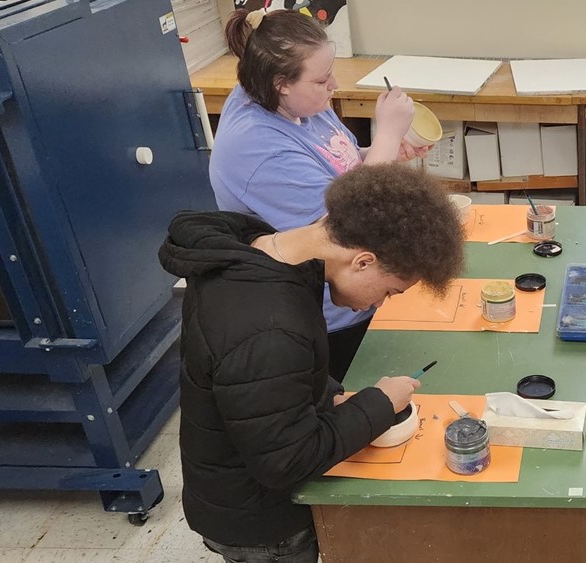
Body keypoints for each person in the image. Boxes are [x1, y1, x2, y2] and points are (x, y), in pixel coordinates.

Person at [158, 164, 465, 563]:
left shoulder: (261, 253)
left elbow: (264, 385)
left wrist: (329, 395)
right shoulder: (270, 329)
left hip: (231, 486)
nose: (378, 304)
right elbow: (288, 462)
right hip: (263, 526)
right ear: (363, 261)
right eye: (390, 290)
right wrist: (377, 404)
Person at [212, 8, 431, 382]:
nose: (333, 86)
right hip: (327, 315)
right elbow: (351, 222)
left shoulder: (298, 102)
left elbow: (337, 168)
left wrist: (377, 152)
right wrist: (388, 134)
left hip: (359, 296)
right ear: (280, 81)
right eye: (321, 79)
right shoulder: (256, 148)